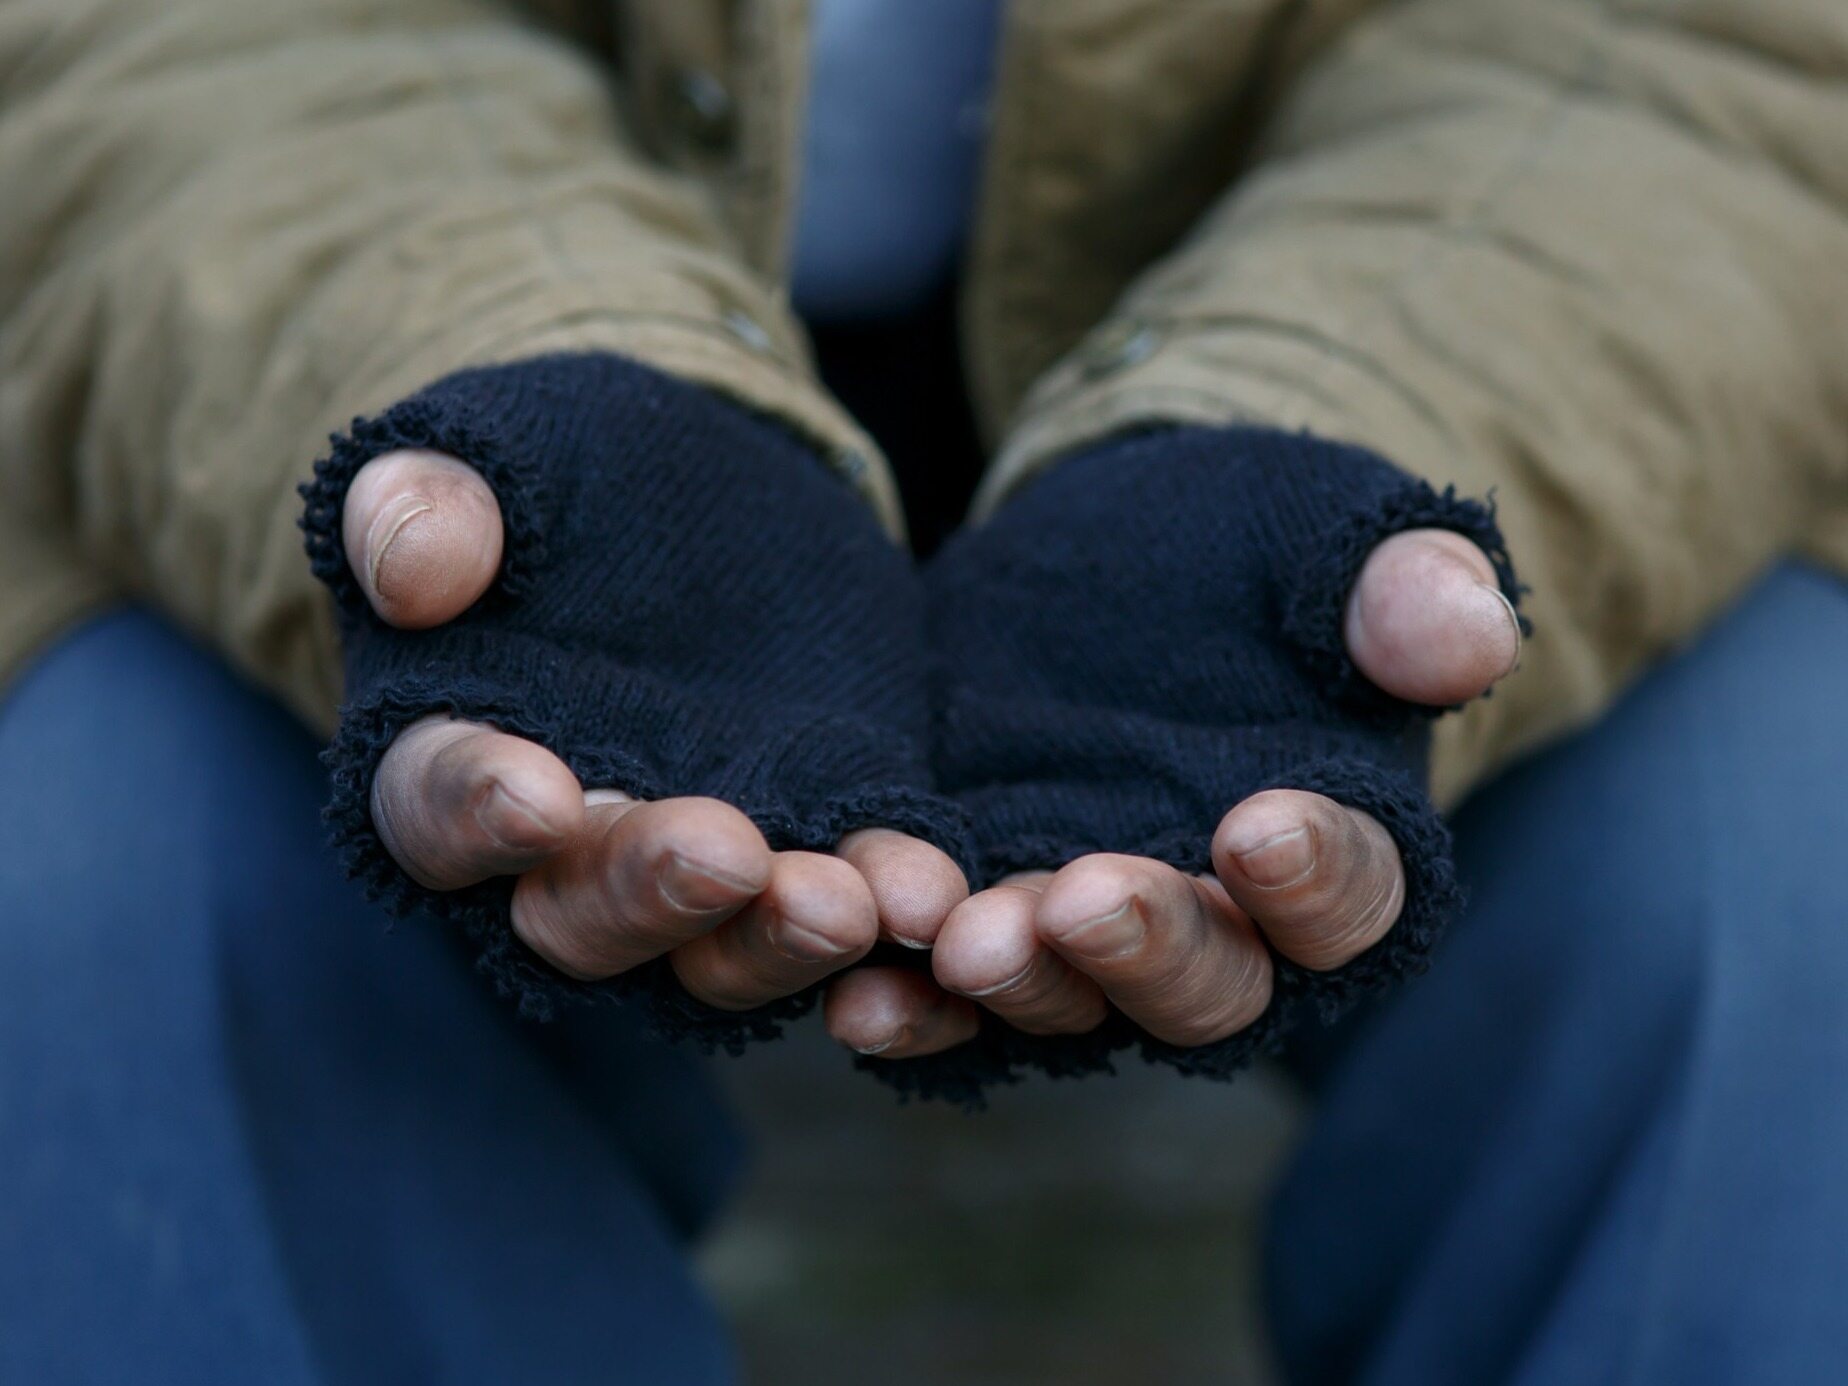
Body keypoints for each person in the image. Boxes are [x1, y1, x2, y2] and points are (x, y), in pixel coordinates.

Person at [1, 0, 1843, 1380]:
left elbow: (1690, 48)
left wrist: (1307, 421)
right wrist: (525, 375)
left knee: (1776, 859)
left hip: (1483, 344)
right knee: (101, 874)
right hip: (391, 315)